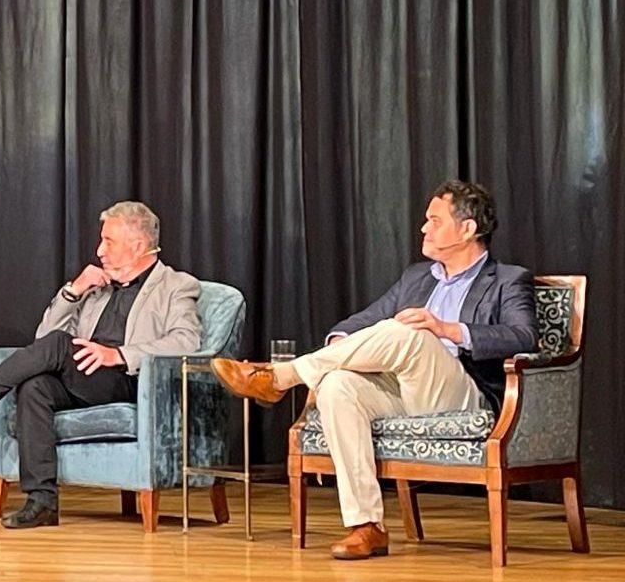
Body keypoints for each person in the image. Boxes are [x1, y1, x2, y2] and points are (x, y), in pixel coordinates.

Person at [213, 179, 535, 560]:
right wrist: (341, 346)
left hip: (464, 393)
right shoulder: (417, 277)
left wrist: (447, 329)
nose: (424, 228)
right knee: (336, 384)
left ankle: (281, 377)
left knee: (409, 331)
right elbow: (365, 320)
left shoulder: (508, 280)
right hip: (402, 390)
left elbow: (524, 336)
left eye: (434, 220)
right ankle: (366, 526)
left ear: (468, 229)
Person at [0, 201, 201, 530]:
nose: (99, 251)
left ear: (138, 245)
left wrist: (120, 354)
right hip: (83, 377)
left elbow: (186, 342)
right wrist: (74, 291)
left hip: (129, 381)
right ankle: (42, 501)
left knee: (57, 346)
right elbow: (42, 339)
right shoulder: (98, 288)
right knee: (34, 386)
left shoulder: (176, 285)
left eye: (108, 242)